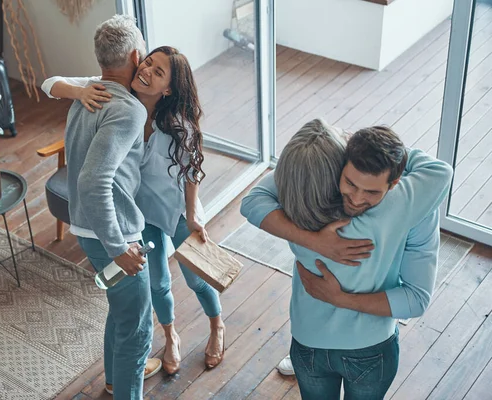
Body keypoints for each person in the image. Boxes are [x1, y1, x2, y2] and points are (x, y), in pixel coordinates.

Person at [41, 47, 225, 375]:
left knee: (197, 281)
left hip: (178, 211)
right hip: (141, 216)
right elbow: (51, 83)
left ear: (168, 88)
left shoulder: (179, 125)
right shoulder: (117, 101)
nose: (147, 72)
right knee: (157, 285)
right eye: (148, 63)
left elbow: (191, 172)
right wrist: (80, 91)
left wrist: (193, 214)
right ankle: (170, 337)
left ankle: (217, 327)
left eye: (158, 72)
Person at [241, 119, 453, 399]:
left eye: (370, 191)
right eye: (351, 183)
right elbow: (440, 171)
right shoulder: (404, 204)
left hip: (308, 341)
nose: (356, 198)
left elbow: (251, 202)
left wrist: (312, 241)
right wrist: (378, 148)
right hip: (371, 350)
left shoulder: (298, 201)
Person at [54, 15, 161, 399]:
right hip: (111, 231)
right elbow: (93, 180)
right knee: (137, 326)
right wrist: (120, 249)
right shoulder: (129, 109)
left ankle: (115, 379)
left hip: (85, 222)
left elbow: (52, 84)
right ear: (136, 55)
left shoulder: (89, 89)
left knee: (120, 307)